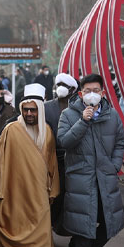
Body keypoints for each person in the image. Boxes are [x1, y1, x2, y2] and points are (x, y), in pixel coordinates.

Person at [0, 83, 59, 247]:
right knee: (11, 231)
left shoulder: (47, 132)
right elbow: (0, 164)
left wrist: (52, 190)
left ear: (40, 110)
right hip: (14, 193)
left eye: (33, 110)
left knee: (40, 236)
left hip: (39, 195)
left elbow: (52, 164)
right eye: (25, 110)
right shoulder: (11, 130)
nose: (28, 114)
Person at [57, 73, 124, 247]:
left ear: (103, 92)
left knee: (109, 223)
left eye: (96, 90)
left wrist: (114, 165)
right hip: (81, 180)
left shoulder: (112, 115)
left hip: (105, 179)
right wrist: (83, 121)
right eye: (88, 91)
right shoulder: (69, 115)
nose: (92, 94)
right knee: (84, 230)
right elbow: (64, 141)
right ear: (80, 94)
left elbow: (120, 142)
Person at [44, 73, 79, 236]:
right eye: (58, 85)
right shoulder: (46, 107)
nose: (60, 88)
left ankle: (63, 226)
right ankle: (52, 224)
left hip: (74, 158)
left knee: (72, 196)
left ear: (72, 90)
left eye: (65, 86)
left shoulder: (79, 108)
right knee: (55, 194)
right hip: (53, 158)